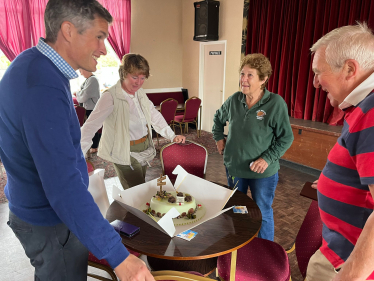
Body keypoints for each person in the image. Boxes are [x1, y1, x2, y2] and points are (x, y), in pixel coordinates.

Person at [0, 1, 154, 280]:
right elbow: (63, 188)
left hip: (32, 205)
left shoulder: (31, 63)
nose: (104, 49)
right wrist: (119, 257)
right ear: (68, 30)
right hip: (49, 220)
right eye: (99, 36)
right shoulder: (41, 85)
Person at [306, 22, 374, 281]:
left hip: (346, 263)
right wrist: (332, 182)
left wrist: (349, 276)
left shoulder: (371, 112)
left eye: (318, 72)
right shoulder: (362, 107)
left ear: (349, 69)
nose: (314, 83)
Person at [212, 53, 294, 241]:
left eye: (250, 75)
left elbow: (286, 138)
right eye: (242, 74)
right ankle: (238, 244)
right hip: (235, 167)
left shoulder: (275, 103)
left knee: (262, 211)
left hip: (262, 173)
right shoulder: (234, 100)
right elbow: (218, 118)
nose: (244, 79)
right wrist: (218, 138)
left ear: (263, 79)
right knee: (237, 209)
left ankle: (266, 250)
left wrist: (267, 158)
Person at [80, 53, 186, 190]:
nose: (139, 82)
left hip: (144, 147)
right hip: (124, 151)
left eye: (143, 78)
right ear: (124, 73)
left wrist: (172, 136)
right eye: (134, 77)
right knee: (137, 192)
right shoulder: (110, 96)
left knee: (138, 188)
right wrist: (78, 156)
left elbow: (154, 115)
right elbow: (90, 125)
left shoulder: (139, 92)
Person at [75, 68, 101, 153]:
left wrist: (78, 93)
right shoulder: (89, 79)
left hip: (92, 108)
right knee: (90, 127)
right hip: (89, 107)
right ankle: (92, 146)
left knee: (92, 127)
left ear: (85, 70)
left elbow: (84, 95)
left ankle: (94, 147)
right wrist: (80, 93)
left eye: (81, 71)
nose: (81, 74)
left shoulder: (93, 80)